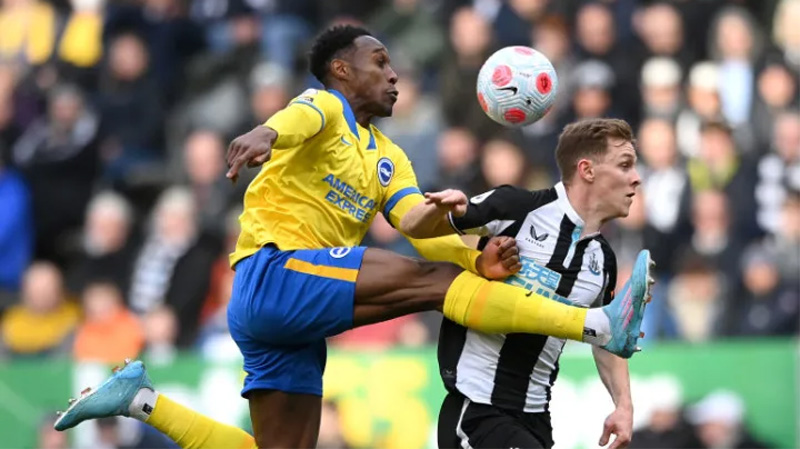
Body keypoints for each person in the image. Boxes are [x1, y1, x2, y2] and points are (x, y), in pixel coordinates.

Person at [53, 26, 650, 449]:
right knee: (441, 282)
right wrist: (265, 131)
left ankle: (139, 401)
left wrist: (467, 239)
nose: (394, 75)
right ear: (344, 69)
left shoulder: (389, 157)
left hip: (293, 314)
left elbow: (415, 225)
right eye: (381, 62)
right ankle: (597, 324)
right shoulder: (325, 109)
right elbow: (300, 117)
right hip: (275, 275)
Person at [400, 118, 653, 449]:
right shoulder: (516, 207)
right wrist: (436, 210)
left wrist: (623, 405)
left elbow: (606, 336)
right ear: (587, 170)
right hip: (478, 410)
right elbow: (414, 229)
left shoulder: (603, 260)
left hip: (536, 417)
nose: (636, 177)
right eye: (625, 165)